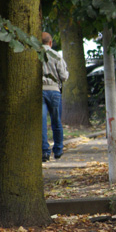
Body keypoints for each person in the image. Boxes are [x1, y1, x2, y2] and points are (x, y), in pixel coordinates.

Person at [41, 32, 69, 162]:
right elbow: (63, 76)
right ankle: (58, 150)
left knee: (41, 123)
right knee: (56, 122)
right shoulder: (56, 56)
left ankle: (44, 151)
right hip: (54, 92)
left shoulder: (34, 55)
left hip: (39, 92)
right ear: (50, 43)